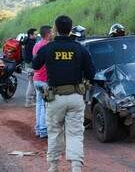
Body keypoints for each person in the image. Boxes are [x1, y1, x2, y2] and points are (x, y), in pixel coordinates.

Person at [32, 15, 95, 172]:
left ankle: (53, 166)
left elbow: (35, 65)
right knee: (75, 133)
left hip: (55, 98)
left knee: (54, 132)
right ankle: (75, 167)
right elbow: (91, 73)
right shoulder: (80, 48)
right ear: (70, 29)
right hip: (75, 97)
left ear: (56, 29)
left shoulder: (48, 48)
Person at [32, 25, 52, 138]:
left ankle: (38, 129)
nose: (53, 34)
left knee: (39, 104)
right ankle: (43, 130)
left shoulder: (36, 45)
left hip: (36, 79)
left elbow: (35, 62)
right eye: (52, 32)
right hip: (45, 80)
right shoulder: (48, 46)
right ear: (48, 34)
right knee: (45, 105)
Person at [23, 28, 37, 108]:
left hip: (27, 64)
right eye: (35, 34)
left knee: (31, 83)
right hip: (31, 65)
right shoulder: (31, 43)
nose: (36, 35)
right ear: (30, 35)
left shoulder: (26, 41)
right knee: (31, 83)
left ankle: (30, 101)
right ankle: (28, 102)